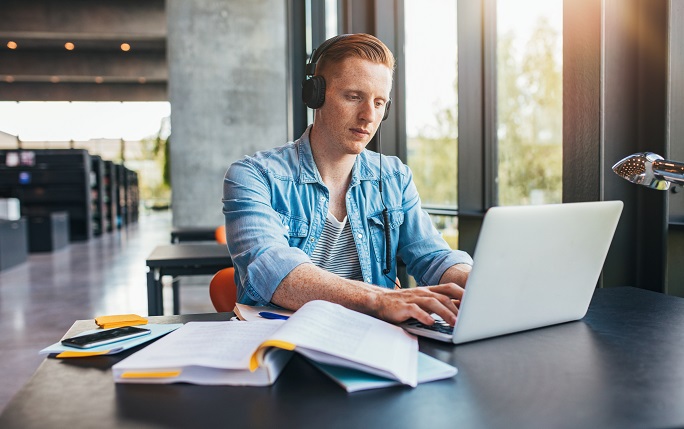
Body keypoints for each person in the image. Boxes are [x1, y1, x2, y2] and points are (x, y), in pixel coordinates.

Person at [223, 33, 472, 327]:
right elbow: (273, 271)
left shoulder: (394, 177)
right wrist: (379, 300)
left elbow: (433, 257)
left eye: (379, 103)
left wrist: (478, 283)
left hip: (370, 338)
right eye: (354, 97)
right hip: (281, 342)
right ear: (315, 95)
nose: (368, 115)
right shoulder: (254, 175)